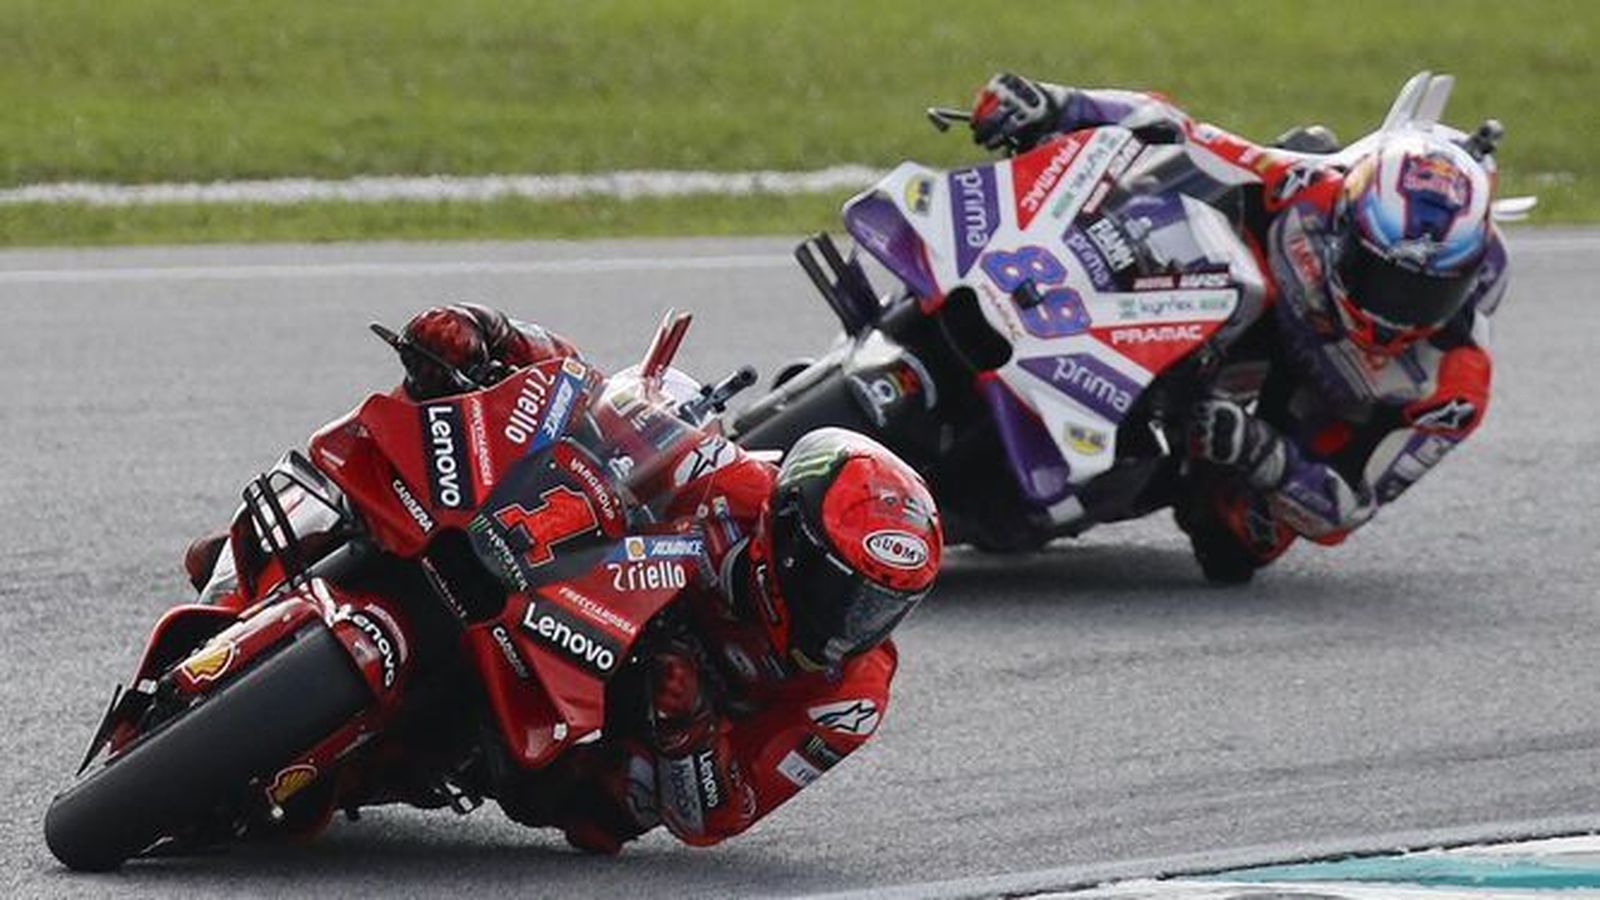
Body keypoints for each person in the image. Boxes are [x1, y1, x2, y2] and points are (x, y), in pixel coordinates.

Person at [187, 304, 944, 853]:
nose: (851, 623)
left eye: (879, 608)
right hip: (544, 582)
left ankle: (353, 763)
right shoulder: (741, 490)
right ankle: (241, 574)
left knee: (600, 807)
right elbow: (590, 394)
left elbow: (720, 815)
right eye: (843, 590)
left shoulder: (850, 694)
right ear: (787, 540)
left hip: (599, 732)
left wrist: (685, 731)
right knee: (378, 464)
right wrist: (490, 335)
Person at [969, 73, 1509, 581]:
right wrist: (1058, 104)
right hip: (1224, 317)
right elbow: (1176, 129)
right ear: (1347, 229)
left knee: (1240, 542)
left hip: (1298, 417)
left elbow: (1349, 507)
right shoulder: (1311, 192)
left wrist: (1260, 451)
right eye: (1381, 275)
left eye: (1426, 291)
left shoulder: (1453, 386)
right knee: (1165, 191)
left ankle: (1111, 468)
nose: (1398, 307)